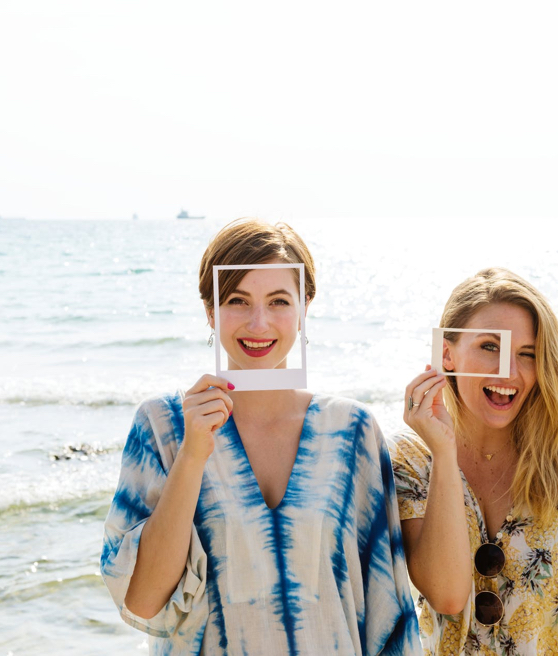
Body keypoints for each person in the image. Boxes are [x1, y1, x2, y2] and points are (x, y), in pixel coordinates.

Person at [101, 218, 420, 655]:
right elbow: (143, 599)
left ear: (304, 307)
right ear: (210, 310)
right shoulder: (162, 425)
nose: (258, 322)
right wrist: (193, 456)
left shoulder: (353, 430)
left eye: (278, 301)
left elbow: (389, 613)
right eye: (237, 300)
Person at [391, 268, 558, 655]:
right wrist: (444, 453)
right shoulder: (412, 460)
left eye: (527, 354)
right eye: (489, 347)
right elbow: (446, 595)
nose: (508, 373)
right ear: (447, 353)